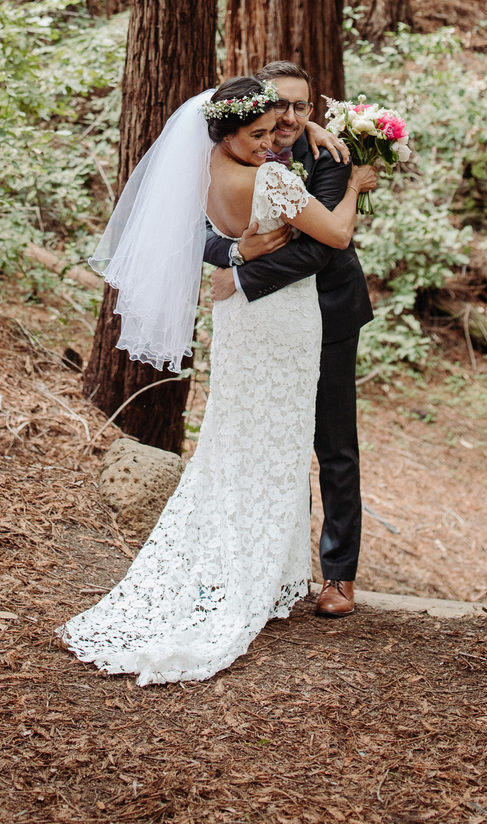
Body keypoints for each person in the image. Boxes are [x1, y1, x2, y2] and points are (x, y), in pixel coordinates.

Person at [59, 77, 376, 685]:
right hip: (278, 321)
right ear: (232, 128)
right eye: (261, 129)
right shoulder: (272, 175)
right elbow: (333, 237)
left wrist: (243, 253)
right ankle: (249, 572)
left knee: (248, 439)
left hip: (260, 320)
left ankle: (291, 571)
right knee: (271, 442)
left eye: (286, 120)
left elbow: (234, 232)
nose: (271, 138)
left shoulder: (210, 162)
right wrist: (355, 188)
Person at [204, 60, 372, 618]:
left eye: (303, 107)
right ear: (260, 105)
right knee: (275, 440)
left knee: (334, 446)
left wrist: (240, 278)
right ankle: (280, 567)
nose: (291, 118)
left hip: (329, 314)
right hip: (269, 325)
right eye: (282, 105)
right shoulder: (237, 153)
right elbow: (201, 233)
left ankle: (339, 577)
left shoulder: (328, 156)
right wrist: (235, 252)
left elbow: (322, 248)